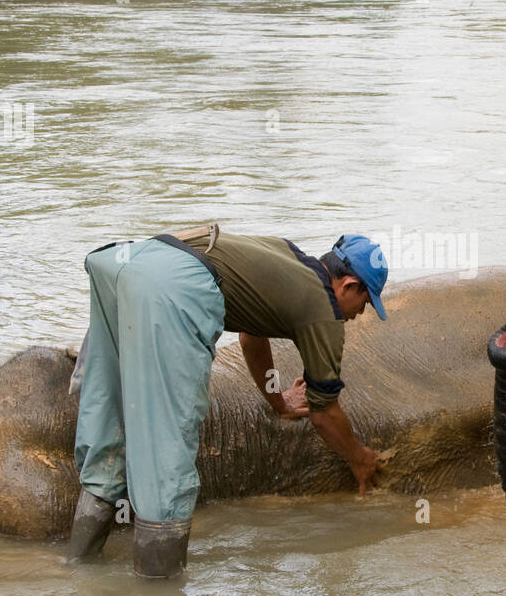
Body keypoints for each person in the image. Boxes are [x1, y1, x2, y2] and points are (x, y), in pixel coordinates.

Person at [66, 225, 388, 577]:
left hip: (124, 263)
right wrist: (360, 459)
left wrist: (278, 402)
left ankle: (78, 570)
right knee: (167, 449)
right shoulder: (324, 310)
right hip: (172, 287)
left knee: (108, 422)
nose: (360, 313)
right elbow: (325, 413)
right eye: (366, 302)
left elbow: (252, 334)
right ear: (349, 286)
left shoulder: (285, 254)